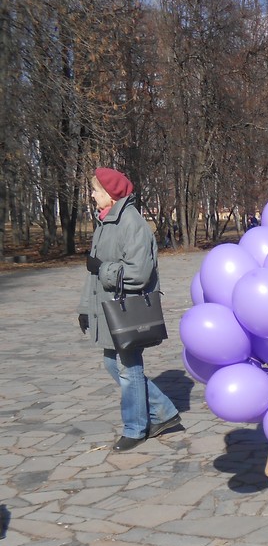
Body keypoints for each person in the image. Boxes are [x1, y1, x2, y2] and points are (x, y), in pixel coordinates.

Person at [78, 167, 182, 452]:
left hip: (127, 309)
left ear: (111, 194)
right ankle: (164, 413)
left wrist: (103, 268)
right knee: (114, 364)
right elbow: (93, 275)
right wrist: (85, 308)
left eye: (96, 190)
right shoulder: (105, 222)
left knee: (128, 368)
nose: (92, 195)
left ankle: (135, 429)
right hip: (110, 307)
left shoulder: (131, 223)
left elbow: (138, 273)